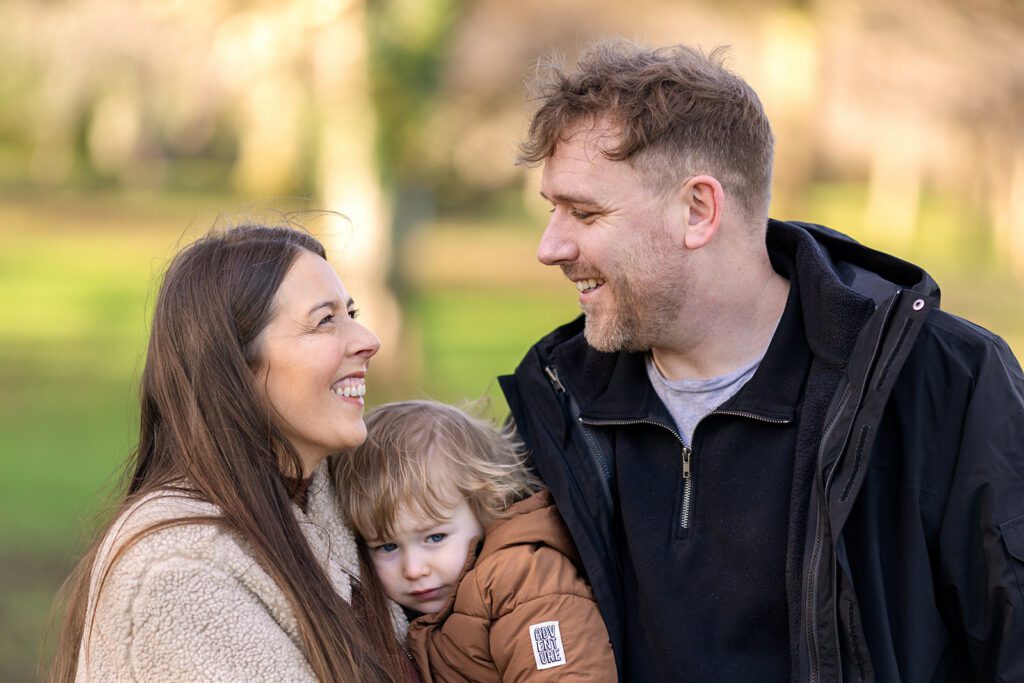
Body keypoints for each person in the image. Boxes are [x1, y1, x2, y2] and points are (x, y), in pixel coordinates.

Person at [499, 40, 1024, 682]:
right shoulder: (555, 404)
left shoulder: (947, 384)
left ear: (698, 210)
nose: (549, 247)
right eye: (553, 209)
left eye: (584, 212)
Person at [48, 225, 412, 682]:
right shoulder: (176, 573)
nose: (367, 340)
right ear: (234, 367)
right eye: (325, 320)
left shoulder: (349, 503)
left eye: (351, 312)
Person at [332, 400, 617, 681]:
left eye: (435, 537)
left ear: (485, 506)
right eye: (388, 546)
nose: (414, 569)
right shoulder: (415, 611)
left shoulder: (522, 584)